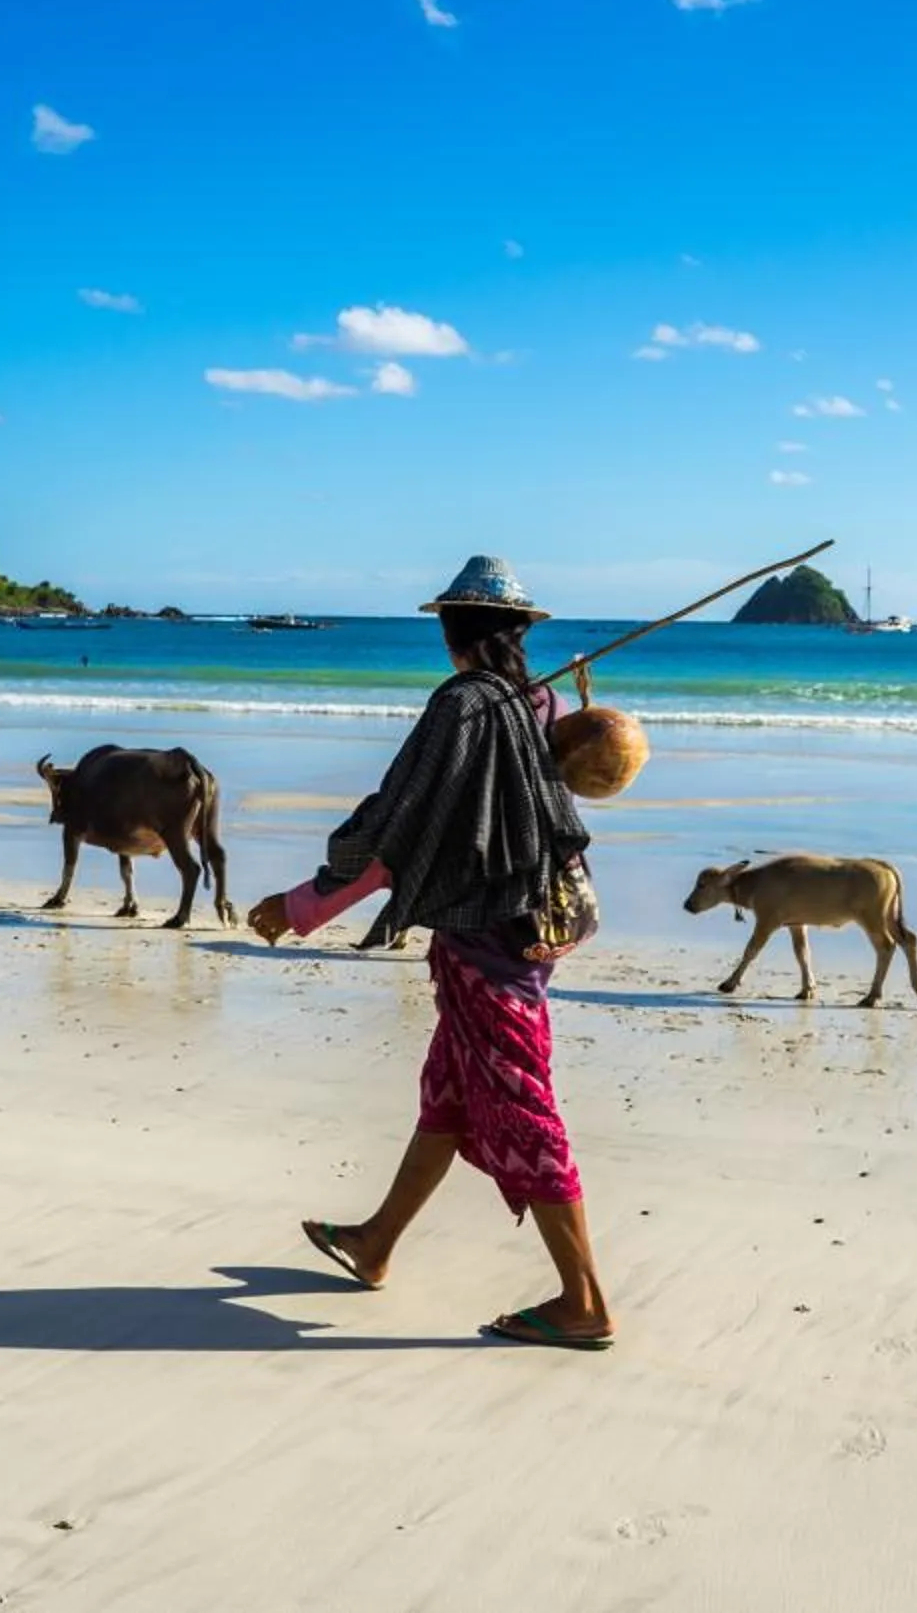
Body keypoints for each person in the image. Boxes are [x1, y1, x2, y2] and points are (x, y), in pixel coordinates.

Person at [249, 555, 612, 1350]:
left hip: (490, 940)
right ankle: (376, 1241)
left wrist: (303, 904)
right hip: (531, 927)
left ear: (450, 631)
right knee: (450, 1092)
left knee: (522, 1107)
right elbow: (582, 775)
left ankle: (583, 1300)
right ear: (518, 632)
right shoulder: (534, 699)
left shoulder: (465, 705)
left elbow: (396, 826)